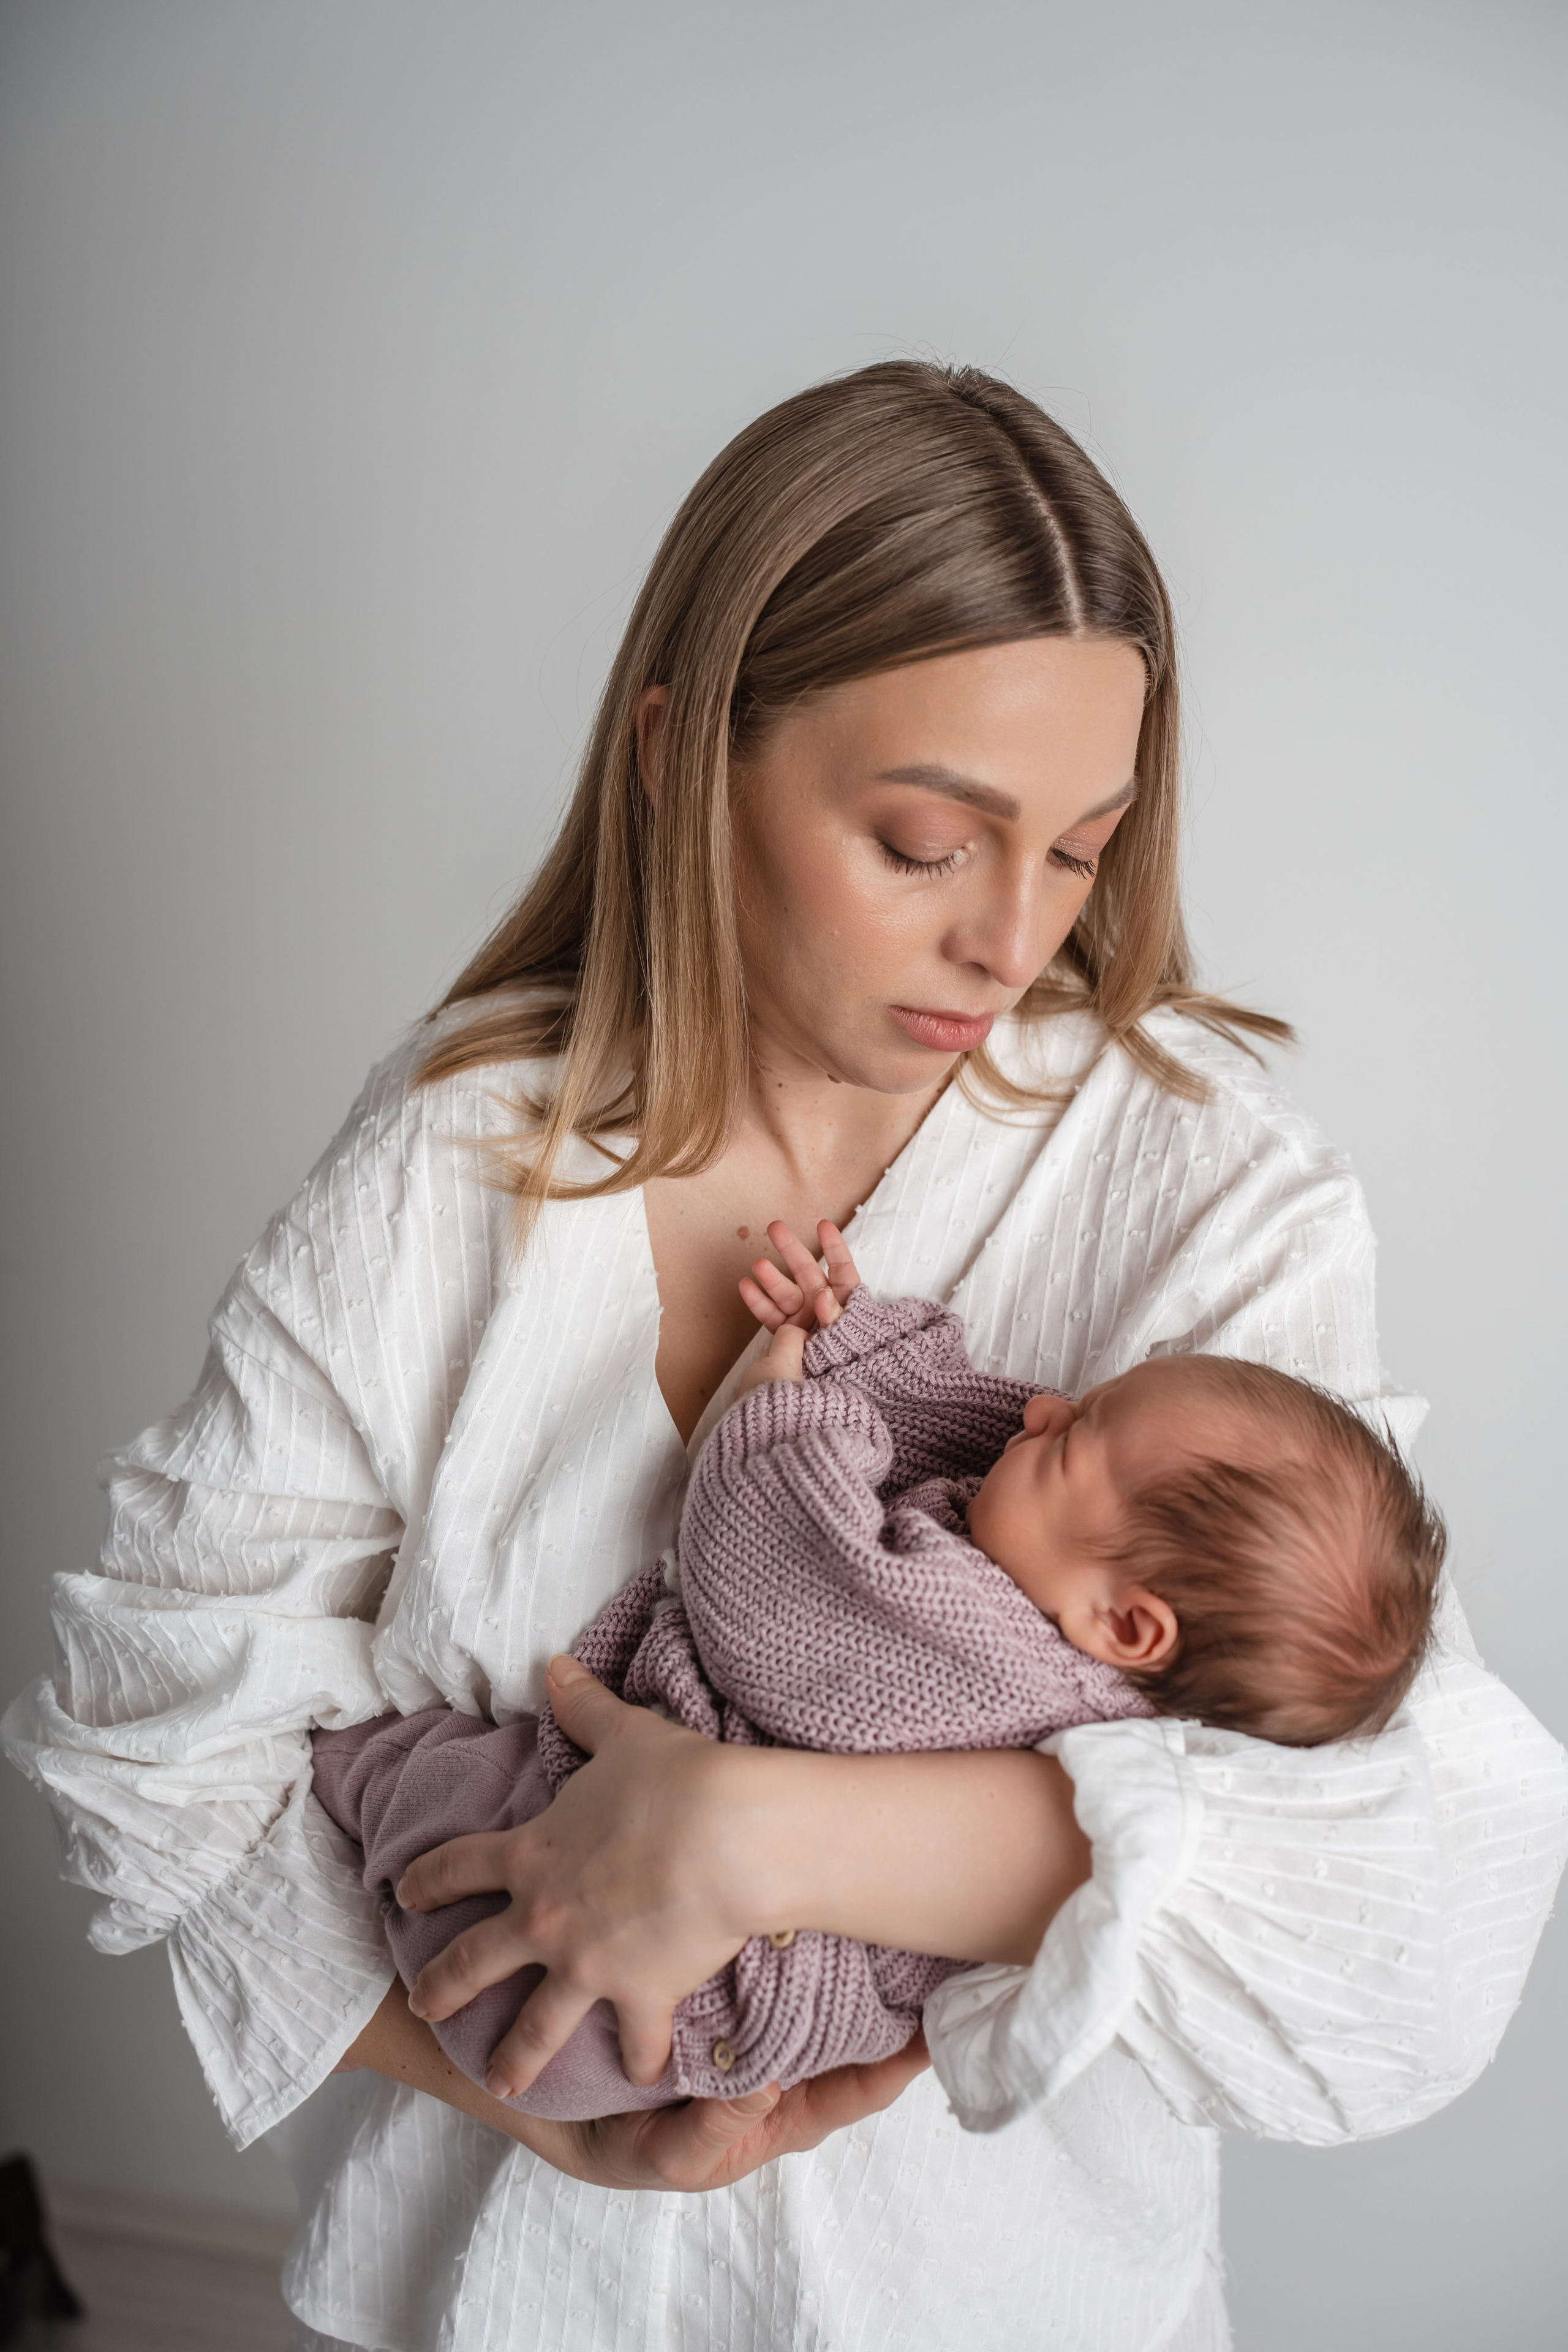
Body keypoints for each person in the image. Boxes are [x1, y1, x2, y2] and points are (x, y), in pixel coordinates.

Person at [5, 361, 1566, 2352]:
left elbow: (1396, 1903)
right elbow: (157, 1741)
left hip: (1013, 2302)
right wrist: (511, 2091)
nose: (1014, 940)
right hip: (497, 2291)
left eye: (1083, 851)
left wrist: (752, 1836)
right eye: (930, 840)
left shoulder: (1208, 1188)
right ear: (682, 757)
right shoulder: (460, 1163)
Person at [310, 1216, 1446, 2125]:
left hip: (631, 1990)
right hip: (699, 2014)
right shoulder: (1092, 1671)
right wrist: (858, 1339)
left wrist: (803, 1397)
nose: (1039, 1404)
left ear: (1128, 1628)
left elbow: (770, 1578)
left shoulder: (980, 1650)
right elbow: (961, 1447)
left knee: (430, 1786)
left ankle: (358, 1774)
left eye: (1074, 1438)